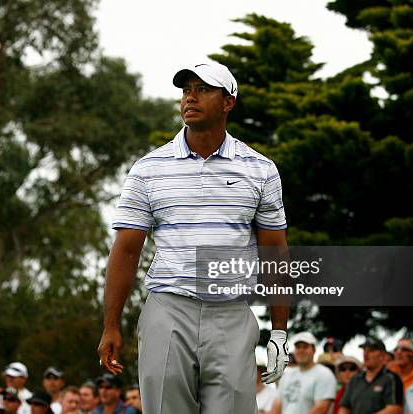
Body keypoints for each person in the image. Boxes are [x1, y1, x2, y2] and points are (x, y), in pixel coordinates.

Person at [97, 61, 290, 414]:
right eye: (187, 90)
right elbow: (126, 252)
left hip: (231, 311)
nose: (191, 98)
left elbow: (275, 252)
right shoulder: (148, 169)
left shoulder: (260, 169)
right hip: (168, 308)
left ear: (228, 101)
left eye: (203, 90)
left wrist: (279, 331)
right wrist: (111, 325)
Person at [273, 332, 336, 414]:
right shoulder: (286, 375)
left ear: (313, 350)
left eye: (305, 347)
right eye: (298, 347)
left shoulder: (324, 374)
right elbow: (277, 405)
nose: (301, 350)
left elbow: (321, 408)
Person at [338, 337, 403, 414]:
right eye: (364, 350)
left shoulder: (391, 379)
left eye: (371, 351)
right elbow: (344, 407)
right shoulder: (355, 380)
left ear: (382, 355)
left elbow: (395, 409)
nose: (366, 354)